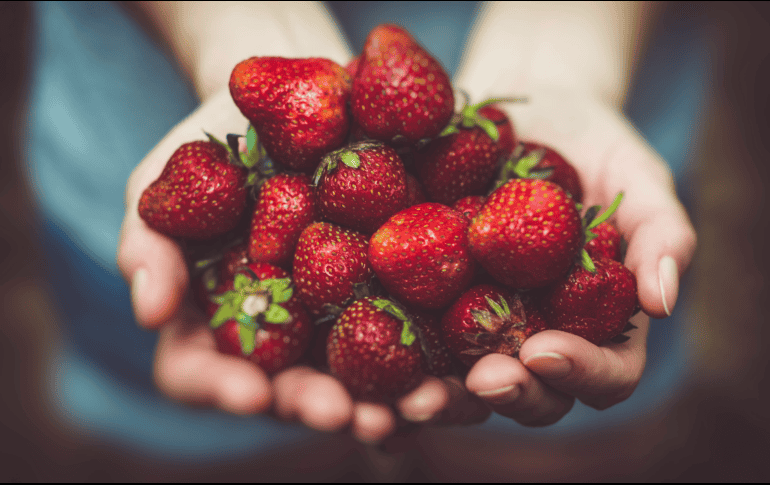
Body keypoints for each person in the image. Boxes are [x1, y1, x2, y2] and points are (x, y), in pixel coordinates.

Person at [25, 0, 699, 466]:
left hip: (608, 56)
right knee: (218, 456)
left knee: (553, 455)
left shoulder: (460, 211)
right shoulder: (307, 201)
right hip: (130, 107)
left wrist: (565, 60)